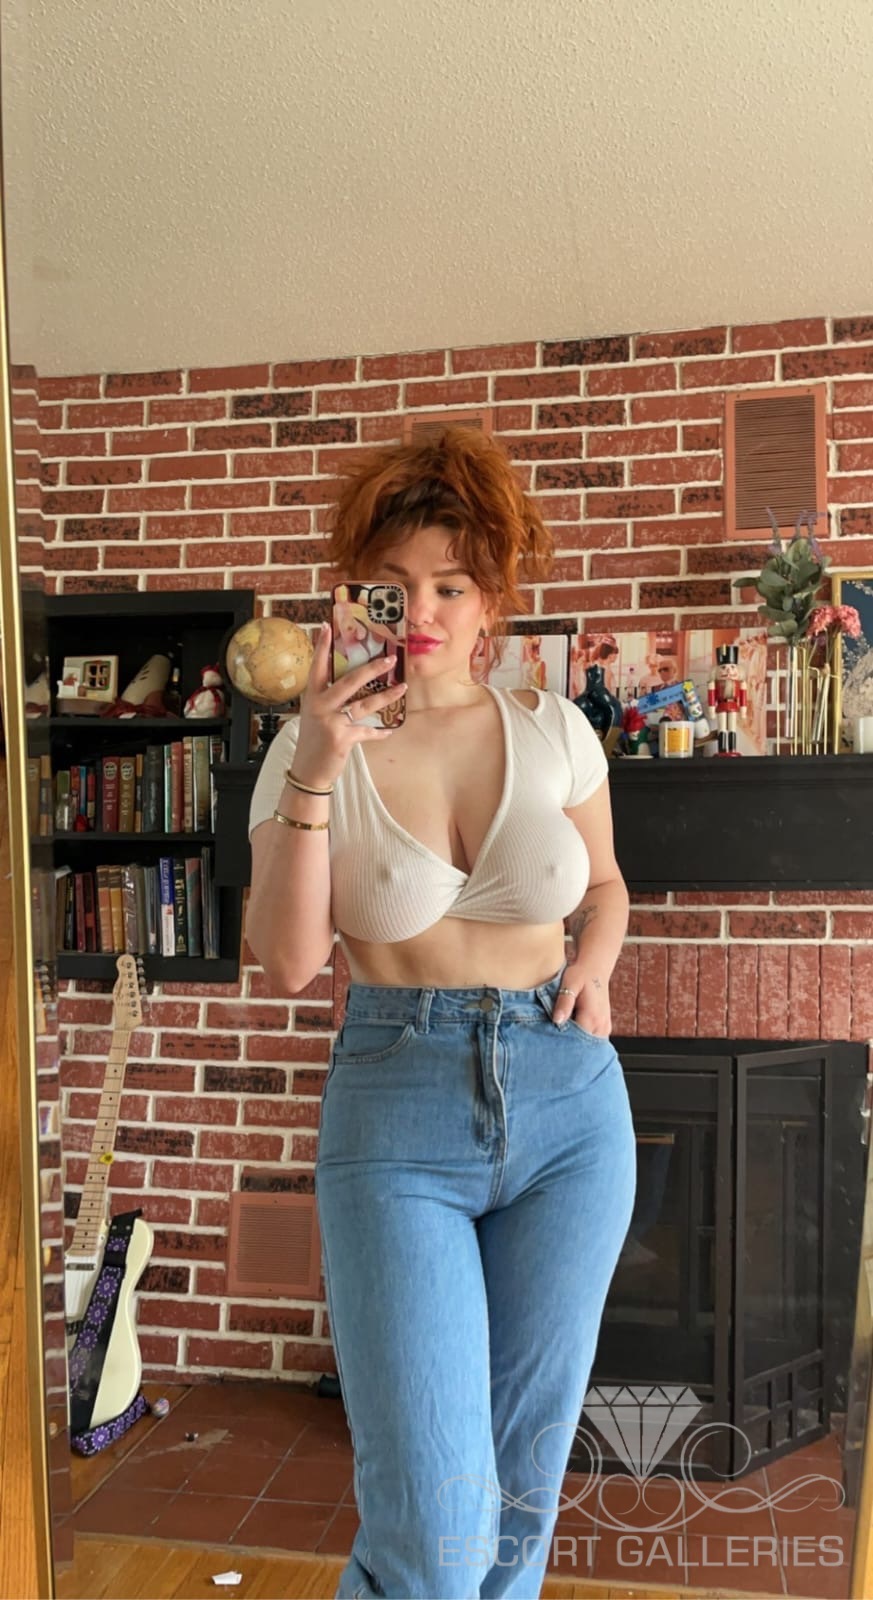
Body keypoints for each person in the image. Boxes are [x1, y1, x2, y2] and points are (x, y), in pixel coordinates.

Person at [245, 427, 637, 1600]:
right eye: (392, 584)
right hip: (397, 1112)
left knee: (518, 1501)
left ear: (488, 606)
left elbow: (606, 886)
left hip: (570, 1108)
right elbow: (292, 962)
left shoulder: (554, 729)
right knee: (431, 1526)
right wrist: (319, 761)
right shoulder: (308, 748)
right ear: (351, 596)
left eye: (449, 585)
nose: (420, 609)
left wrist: (598, 964)